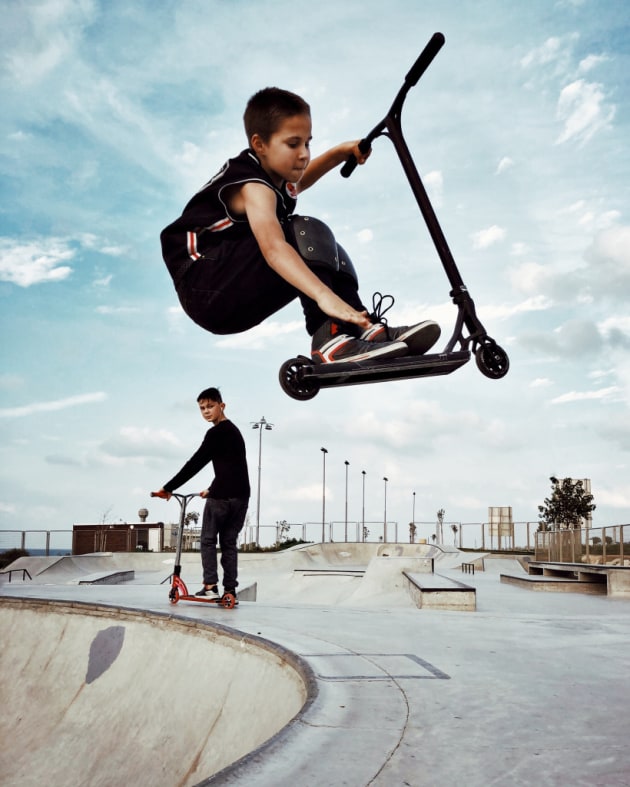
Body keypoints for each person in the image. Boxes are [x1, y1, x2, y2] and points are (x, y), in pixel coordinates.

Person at [160, 87, 440, 364]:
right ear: (259, 145)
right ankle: (329, 338)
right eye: (293, 144)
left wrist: (339, 153)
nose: (304, 154)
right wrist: (323, 296)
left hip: (224, 289)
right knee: (304, 232)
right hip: (204, 286)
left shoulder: (272, 176)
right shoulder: (254, 187)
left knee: (329, 250)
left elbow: (299, 182)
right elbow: (273, 249)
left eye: (307, 143)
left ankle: (362, 327)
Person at [152, 387, 250, 604]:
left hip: (222, 498)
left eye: (210, 406)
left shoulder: (215, 433)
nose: (206, 411)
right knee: (229, 543)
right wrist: (212, 488)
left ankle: (210, 586)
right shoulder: (234, 431)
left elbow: (195, 463)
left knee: (207, 540)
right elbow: (232, 467)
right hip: (241, 496)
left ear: (222, 406)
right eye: (202, 408)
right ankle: (230, 591)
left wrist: (169, 487)